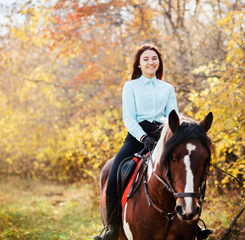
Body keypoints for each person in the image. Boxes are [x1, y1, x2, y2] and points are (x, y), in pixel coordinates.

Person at [94, 44, 212, 240]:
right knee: (114, 175)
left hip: (163, 136)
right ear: (139, 64)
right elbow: (129, 118)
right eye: (146, 59)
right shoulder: (130, 86)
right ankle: (113, 228)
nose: (151, 62)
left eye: (154, 58)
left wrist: (170, 137)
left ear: (159, 63)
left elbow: (173, 117)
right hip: (136, 136)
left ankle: (194, 223)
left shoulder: (167, 88)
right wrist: (143, 137)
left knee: (186, 170)